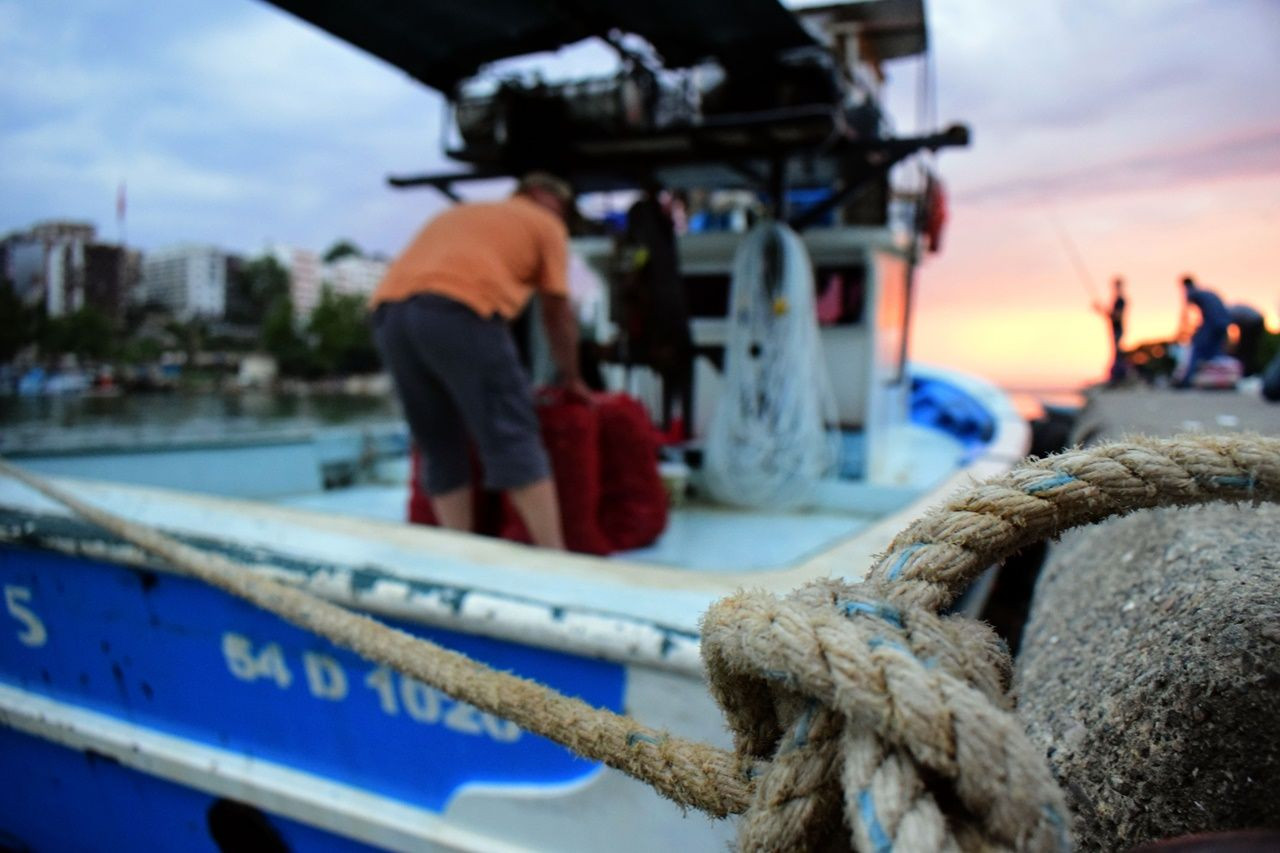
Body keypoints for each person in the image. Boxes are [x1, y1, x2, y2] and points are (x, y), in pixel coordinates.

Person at [370, 173, 587, 549]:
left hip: (389, 313)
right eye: (561, 206)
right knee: (511, 431)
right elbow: (556, 310)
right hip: (459, 309)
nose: (562, 215)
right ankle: (556, 560)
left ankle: (460, 554)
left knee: (437, 441)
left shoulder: (463, 213)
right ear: (537, 194)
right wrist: (572, 377)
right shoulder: (546, 224)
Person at [1176, 276, 1232, 388]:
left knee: (1197, 348)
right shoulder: (1206, 292)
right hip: (1224, 321)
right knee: (1216, 352)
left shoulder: (1192, 291)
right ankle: (1223, 380)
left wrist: (1182, 332)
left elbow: (1186, 314)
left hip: (1213, 322)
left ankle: (1186, 380)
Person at [1094, 276, 1126, 384]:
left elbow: (1117, 316)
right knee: (1116, 353)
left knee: (1118, 354)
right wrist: (1102, 310)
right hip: (1115, 330)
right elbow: (1112, 316)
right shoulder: (1116, 300)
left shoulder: (1121, 300)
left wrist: (1104, 311)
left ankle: (1118, 377)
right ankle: (1116, 377)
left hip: (1118, 330)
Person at [1228, 303, 1266, 377]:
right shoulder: (1231, 310)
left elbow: (1231, 330)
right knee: (1246, 349)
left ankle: (1248, 372)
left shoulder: (1228, 313)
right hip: (1253, 322)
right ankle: (1248, 371)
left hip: (1255, 323)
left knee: (1247, 349)